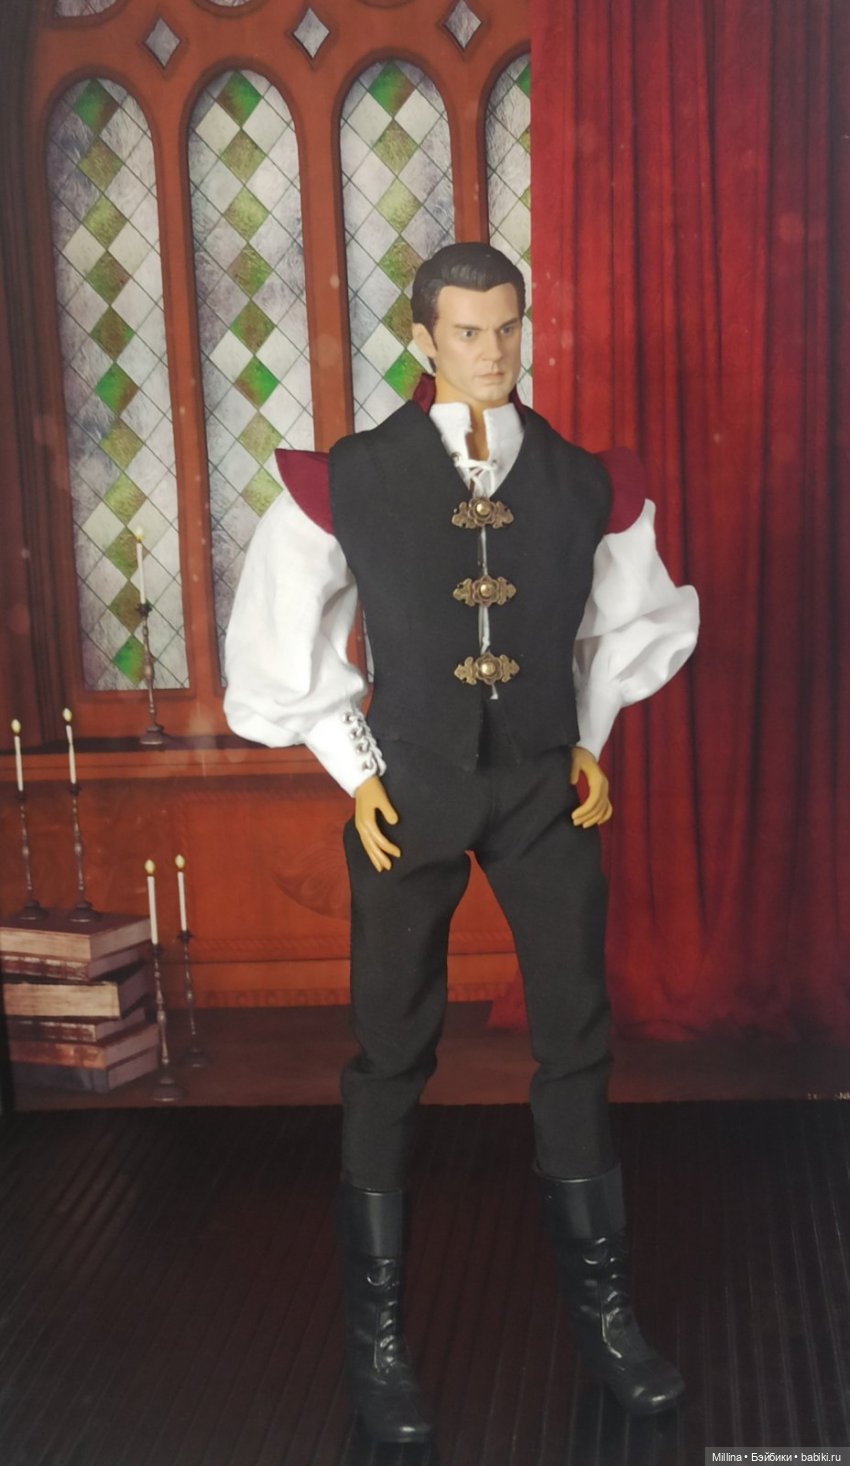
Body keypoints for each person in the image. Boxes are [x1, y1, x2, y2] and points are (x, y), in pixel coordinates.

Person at [224, 243, 699, 1444]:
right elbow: (282, 645)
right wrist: (357, 771)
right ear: (422, 339)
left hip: (543, 791)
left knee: (576, 1040)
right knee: (390, 1052)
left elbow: (624, 624)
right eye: (469, 331)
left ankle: (606, 1319)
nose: (493, 350)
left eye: (508, 327)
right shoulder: (351, 477)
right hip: (411, 796)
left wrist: (586, 740)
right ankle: (377, 1341)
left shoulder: (583, 480)